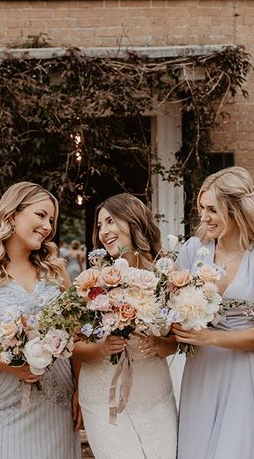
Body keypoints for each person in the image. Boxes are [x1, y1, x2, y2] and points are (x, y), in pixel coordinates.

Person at [0, 182, 80, 459]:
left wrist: (80, 389)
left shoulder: (56, 273)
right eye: (41, 215)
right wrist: (9, 364)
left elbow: (76, 335)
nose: (47, 226)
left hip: (55, 404)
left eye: (52, 220)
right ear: (12, 215)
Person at [170, 166, 254, 459]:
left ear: (237, 210)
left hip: (241, 371)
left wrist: (208, 337)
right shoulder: (192, 250)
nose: (204, 217)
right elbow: (170, 305)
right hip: (201, 370)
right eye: (202, 208)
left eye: (212, 209)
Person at [74, 194, 177, 459]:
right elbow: (73, 346)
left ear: (132, 221)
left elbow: (177, 341)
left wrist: (157, 344)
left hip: (154, 394)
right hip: (103, 396)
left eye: (110, 221)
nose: (104, 231)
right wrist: (102, 348)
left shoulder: (165, 276)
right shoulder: (92, 283)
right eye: (99, 225)